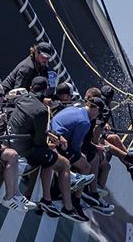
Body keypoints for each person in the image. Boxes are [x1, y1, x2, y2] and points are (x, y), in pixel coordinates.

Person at [7, 86, 87, 222]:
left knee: (50, 158)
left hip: (17, 143)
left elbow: (38, 130)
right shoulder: (41, 110)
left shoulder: (22, 102)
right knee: (63, 163)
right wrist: (51, 144)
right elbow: (40, 141)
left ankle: (42, 198)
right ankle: (66, 207)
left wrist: (54, 135)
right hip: (26, 149)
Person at [0, 82, 36, 211]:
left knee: (13, 155)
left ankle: (17, 195)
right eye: (0, 95)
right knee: (12, 155)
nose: (3, 99)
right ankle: (9, 198)